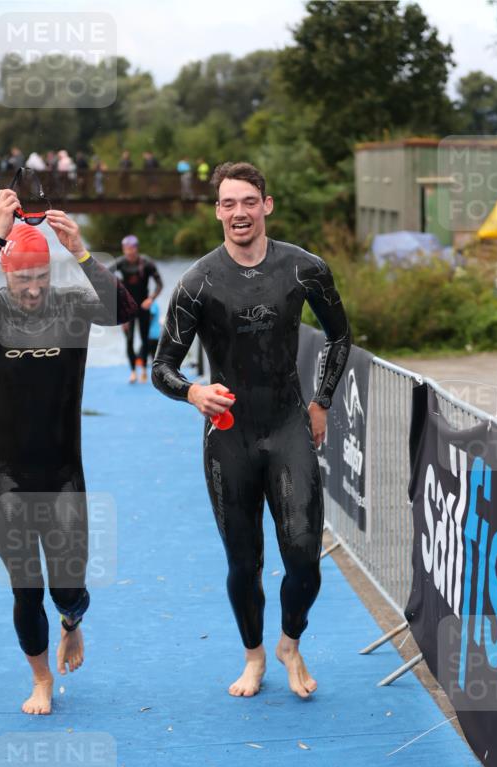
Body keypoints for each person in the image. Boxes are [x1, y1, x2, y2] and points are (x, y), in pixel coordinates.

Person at [152, 161, 351, 699]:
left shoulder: (305, 268)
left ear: (266, 205)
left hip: (288, 425)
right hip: (229, 436)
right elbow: (161, 367)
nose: (238, 212)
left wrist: (322, 402)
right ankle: (255, 657)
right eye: (227, 203)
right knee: (245, 563)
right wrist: (193, 391)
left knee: (305, 560)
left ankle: (290, 640)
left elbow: (339, 336)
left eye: (247, 201)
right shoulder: (197, 283)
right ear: (217, 210)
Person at [0, 187, 137, 715]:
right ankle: (40, 680)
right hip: (5, 473)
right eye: (23, 279)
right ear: (7, 277)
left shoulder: (70, 307)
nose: (34, 289)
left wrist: (81, 252)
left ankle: (72, 623)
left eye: (41, 277)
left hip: (63, 474)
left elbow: (125, 309)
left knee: (68, 587)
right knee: (25, 588)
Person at [111, 235, 163, 382]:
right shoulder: (120, 263)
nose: (129, 252)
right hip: (127, 308)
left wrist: (151, 299)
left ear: (136, 248)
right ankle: (133, 371)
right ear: (123, 249)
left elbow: (160, 284)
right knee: (129, 340)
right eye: (126, 249)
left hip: (143, 307)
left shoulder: (146, 263)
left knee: (145, 339)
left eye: (131, 249)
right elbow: (103, 277)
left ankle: (144, 369)